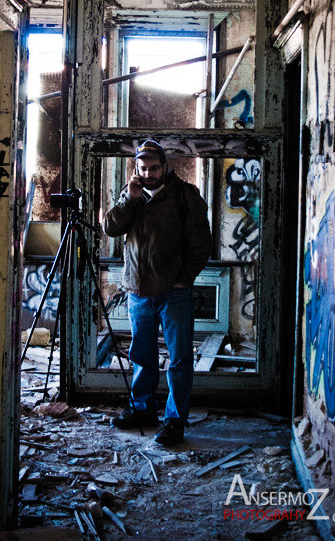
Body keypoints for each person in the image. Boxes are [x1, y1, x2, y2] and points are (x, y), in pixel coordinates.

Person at [103, 140, 212, 446]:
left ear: (165, 167)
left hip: (174, 293)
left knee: (178, 360)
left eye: (153, 168)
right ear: (135, 169)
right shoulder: (132, 195)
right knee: (142, 355)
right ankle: (143, 410)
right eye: (143, 168)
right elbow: (110, 228)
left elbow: (201, 243)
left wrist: (184, 279)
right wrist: (131, 200)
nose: (148, 174)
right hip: (139, 292)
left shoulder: (184, 195)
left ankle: (175, 421)